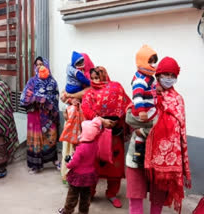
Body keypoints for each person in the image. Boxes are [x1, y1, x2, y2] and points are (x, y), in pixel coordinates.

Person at [126, 56, 191, 214]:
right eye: (165, 74)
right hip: (138, 153)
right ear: (157, 74)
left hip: (161, 159)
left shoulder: (176, 100)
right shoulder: (145, 92)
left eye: (172, 75)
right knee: (135, 195)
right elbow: (129, 117)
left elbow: (176, 129)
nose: (168, 79)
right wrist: (154, 125)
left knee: (158, 198)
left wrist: (146, 129)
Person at [81, 66, 131, 208]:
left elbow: (127, 104)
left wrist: (119, 119)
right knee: (93, 166)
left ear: (105, 76)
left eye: (98, 78)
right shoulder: (89, 94)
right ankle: (89, 193)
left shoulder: (116, 89)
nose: (96, 81)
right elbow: (86, 110)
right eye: (93, 78)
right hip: (97, 135)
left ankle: (112, 193)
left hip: (115, 135)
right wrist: (102, 121)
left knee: (114, 166)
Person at [20, 57, 60, 174]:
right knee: (35, 140)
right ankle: (36, 165)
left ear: (46, 65)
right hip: (35, 114)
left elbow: (56, 98)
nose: (39, 66)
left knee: (51, 137)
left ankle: (54, 160)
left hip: (48, 116)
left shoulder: (53, 82)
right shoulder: (31, 81)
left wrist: (46, 101)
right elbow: (24, 98)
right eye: (37, 64)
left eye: (41, 64)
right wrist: (36, 98)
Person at [60, 53, 94, 183]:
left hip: (85, 120)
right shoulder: (75, 75)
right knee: (68, 146)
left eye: (83, 63)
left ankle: (79, 175)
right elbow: (63, 95)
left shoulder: (91, 77)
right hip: (72, 118)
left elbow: (89, 91)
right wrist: (66, 95)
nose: (82, 67)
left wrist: (70, 94)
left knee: (80, 148)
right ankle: (67, 174)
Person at [58, 117, 102, 214]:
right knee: (85, 196)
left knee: (72, 195)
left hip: (78, 176)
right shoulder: (95, 144)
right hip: (89, 175)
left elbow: (74, 162)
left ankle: (67, 211)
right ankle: (83, 211)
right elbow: (96, 155)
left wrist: (68, 164)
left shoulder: (80, 148)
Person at [127, 44, 158, 166]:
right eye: (150, 61)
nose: (153, 64)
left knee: (140, 135)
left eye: (155, 61)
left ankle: (138, 155)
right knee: (157, 123)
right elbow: (137, 96)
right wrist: (141, 111)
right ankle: (139, 154)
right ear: (142, 61)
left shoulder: (149, 77)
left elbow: (153, 89)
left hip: (148, 109)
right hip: (144, 111)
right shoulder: (140, 79)